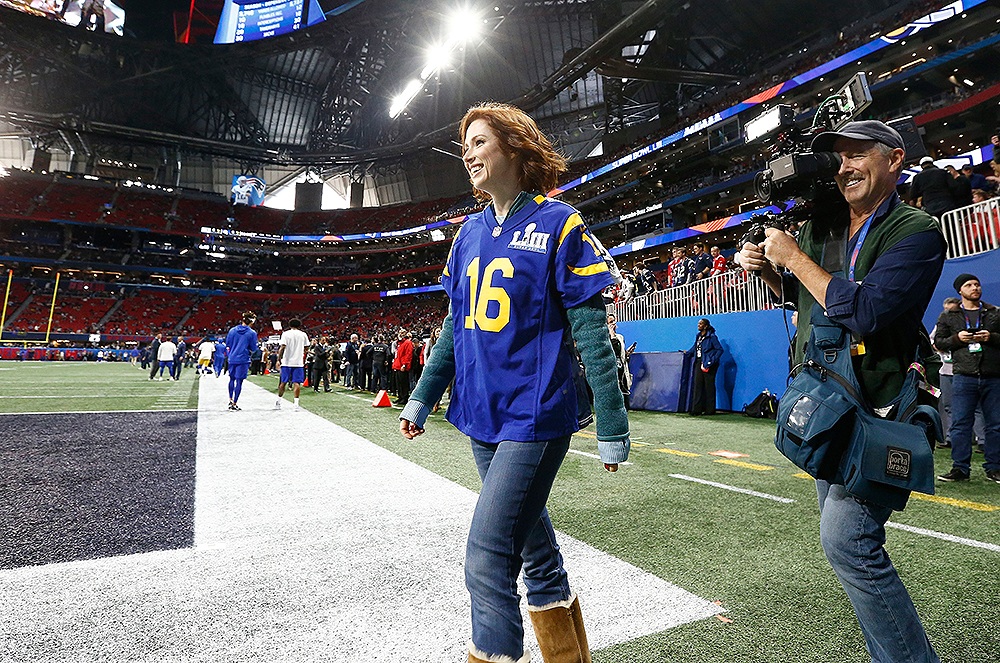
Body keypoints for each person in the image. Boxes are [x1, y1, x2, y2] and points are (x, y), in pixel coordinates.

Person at [398, 102, 629, 663]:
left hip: (534, 412)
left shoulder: (560, 222)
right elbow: (455, 325)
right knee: (535, 551)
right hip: (479, 410)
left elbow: (592, 334)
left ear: (514, 149)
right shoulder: (468, 234)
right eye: (465, 144)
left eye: (479, 142)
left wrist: (613, 424)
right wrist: (423, 396)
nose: (468, 154)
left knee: (485, 554)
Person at [738, 120, 945, 662]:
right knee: (846, 542)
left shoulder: (915, 229)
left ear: (895, 159)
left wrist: (793, 258)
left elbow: (868, 312)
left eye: (859, 155)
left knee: (848, 539)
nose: (845, 167)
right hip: (829, 404)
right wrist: (767, 270)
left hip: (880, 407)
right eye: (839, 158)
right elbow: (812, 302)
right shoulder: (825, 226)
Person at [933, 274, 999, 483]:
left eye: (977, 284)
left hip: (993, 375)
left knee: (996, 424)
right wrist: (957, 339)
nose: (975, 288)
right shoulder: (948, 315)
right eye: (969, 285)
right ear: (959, 291)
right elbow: (939, 343)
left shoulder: (995, 313)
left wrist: (992, 337)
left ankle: (995, 468)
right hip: (963, 375)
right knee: (960, 424)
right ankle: (960, 468)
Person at [684, 318, 722, 415]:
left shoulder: (712, 337)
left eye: (701, 324)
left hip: (709, 364)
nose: (698, 325)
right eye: (698, 323)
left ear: (705, 326)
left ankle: (710, 410)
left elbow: (720, 350)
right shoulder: (698, 336)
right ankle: (697, 409)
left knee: (709, 387)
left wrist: (711, 361)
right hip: (699, 362)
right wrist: (687, 353)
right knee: (698, 386)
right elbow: (695, 348)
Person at [225, 311, 259, 411]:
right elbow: (253, 348)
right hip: (243, 359)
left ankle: (230, 399)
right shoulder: (252, 333)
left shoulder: (232, 330)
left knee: (231, 379)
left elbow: (228, 344)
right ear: (251, 322)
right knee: (239, 381)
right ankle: (235, 403)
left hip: (232, 358)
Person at [275, 318, 309, 411]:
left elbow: (282, 347)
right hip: (298, 362)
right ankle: (296, 404)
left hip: (286, 361)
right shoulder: (303, 334)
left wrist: (279, 359)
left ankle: (279, 401)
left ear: (290, 325)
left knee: (283, 382)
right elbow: (306, 347)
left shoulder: (285, 334)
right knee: (296, 383)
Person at [608, 313, 633, 410]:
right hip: (612, 371)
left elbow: (620, 354)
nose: (613, 323)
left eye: (614, 321)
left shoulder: (620, 337)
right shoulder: (606, 338)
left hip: (622, 369)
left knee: (625, 397)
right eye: (610, 322)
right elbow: (613, 352)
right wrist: (612, 335)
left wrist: (627, 354)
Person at [392, 328, 412, 405]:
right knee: (398, 383)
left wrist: (404, 365)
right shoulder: (399, 343)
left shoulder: (407, 342)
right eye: (400, 332)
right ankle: (400, 397)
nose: (400, 334)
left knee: (403, 383)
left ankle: (404, 398)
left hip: (402, 366)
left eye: (403, 332)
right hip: (397, 365)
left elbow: (408, 354)